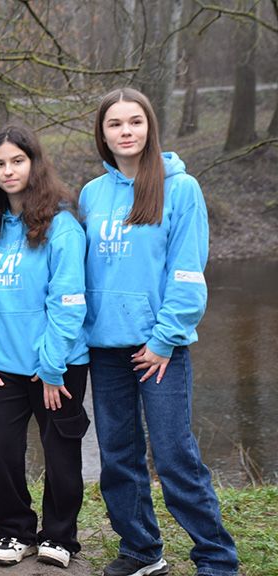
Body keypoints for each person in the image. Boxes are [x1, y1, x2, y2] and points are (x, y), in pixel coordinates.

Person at [80, 88, 239, 576]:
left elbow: (187, 273)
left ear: (149, 127)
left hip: (160, 350)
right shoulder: (91, 194)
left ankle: (217, 558)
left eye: (135, 122)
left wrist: (164, 338)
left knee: (174, 456)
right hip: (105, 349)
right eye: (114, 124)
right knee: (117, 458)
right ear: (102, 133)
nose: (125, 131)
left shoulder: (181, 188)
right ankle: (142, 551)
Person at [0, 125, 89, 569]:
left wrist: (52, 366)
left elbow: (68, 301)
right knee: (0, 451)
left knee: (60, 455)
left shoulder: (62, 227)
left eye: (17, 161)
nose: (8, 171)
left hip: (58, 365)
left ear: (34, 164)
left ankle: (59, 536)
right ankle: (15, 530)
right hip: (3, 366)